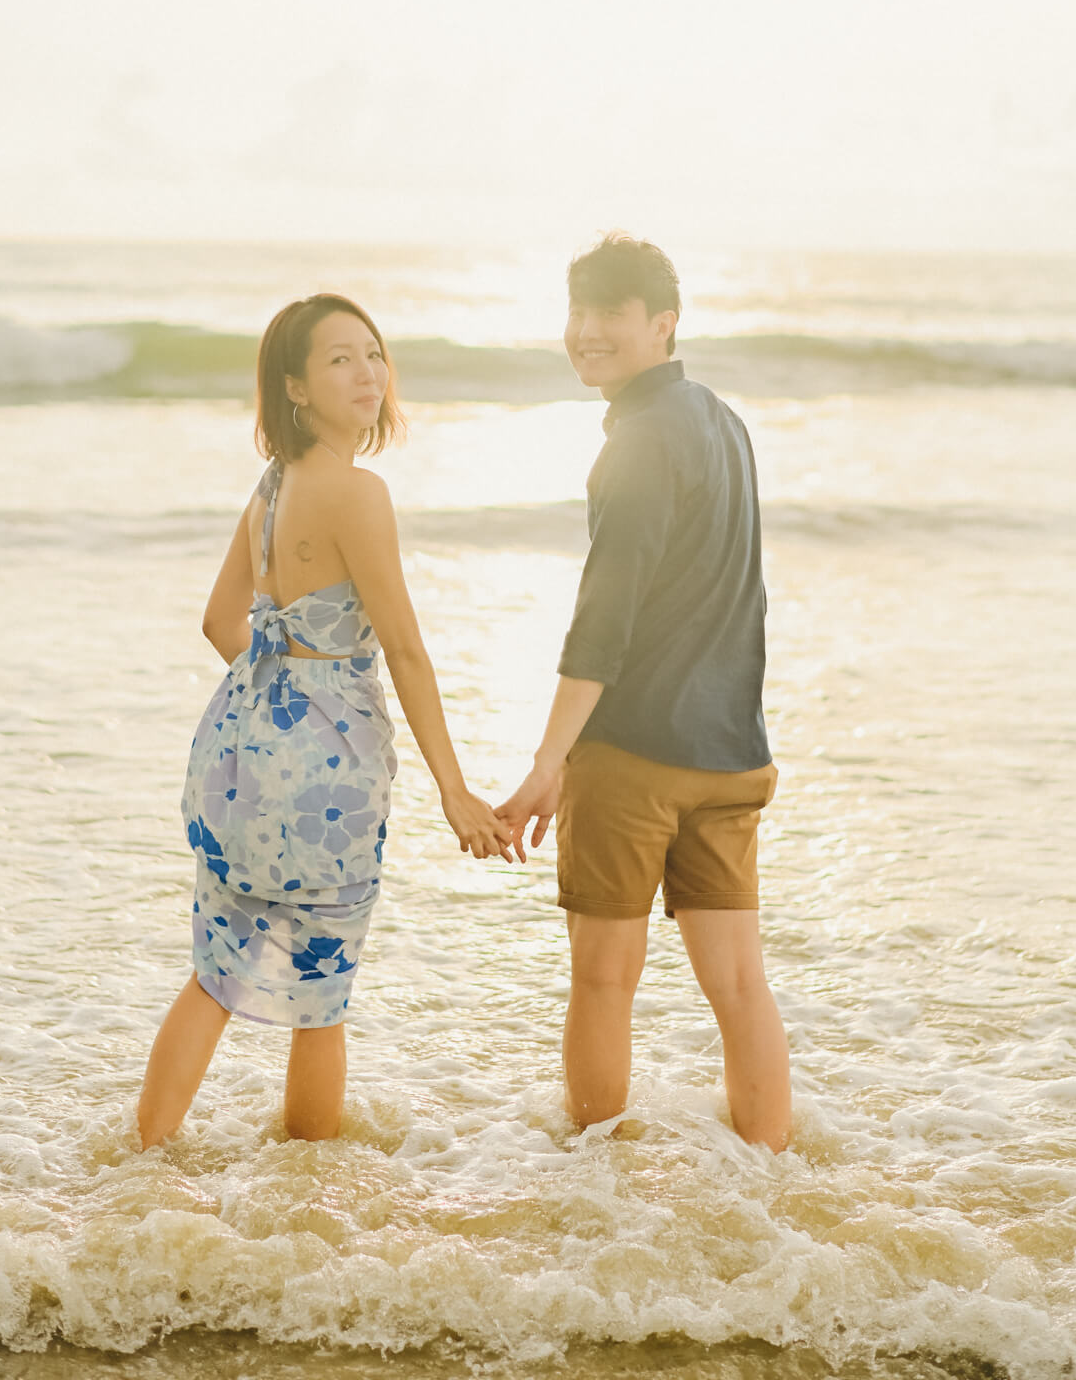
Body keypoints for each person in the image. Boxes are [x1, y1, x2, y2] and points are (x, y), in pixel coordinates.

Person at [136, 293, 511, 1147]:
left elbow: (220, 622)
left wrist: (280, 692)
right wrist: (453, 789)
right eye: (340, 359)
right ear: (295, 386)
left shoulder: (272, 488)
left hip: (242, 749)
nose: (367, 373)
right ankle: (309, 1181)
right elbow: (405, 650)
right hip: (330, 769)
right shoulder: (356, 493)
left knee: (215, 975)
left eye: (372, 353)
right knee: (322, 995)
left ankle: (144, 1155)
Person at [498, 234, 790, 1150]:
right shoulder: (722, 424)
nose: (586, 331)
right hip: (732, 755)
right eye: (576, 311)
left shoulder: (635, 443)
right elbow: (740, 594)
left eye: (609, 314)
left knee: (602, 980)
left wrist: (548, 762)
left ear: (662, 324)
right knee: (739, 985)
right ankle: (773, 1176)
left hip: (633, 757)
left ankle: (598, 1190)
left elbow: (603, 623)